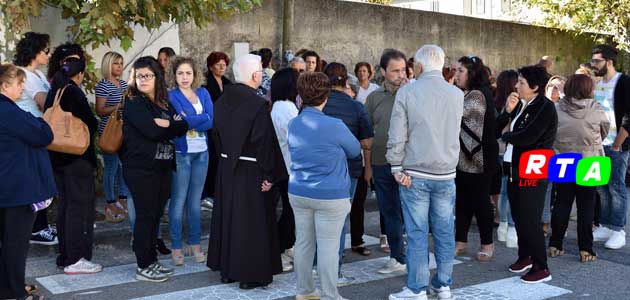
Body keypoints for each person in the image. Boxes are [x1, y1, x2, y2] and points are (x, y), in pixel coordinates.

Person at [387, 45, 463, 300]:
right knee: (444, 231)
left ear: (418, 66)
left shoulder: (407, 92)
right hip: (446, 172)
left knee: (418, 232)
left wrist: (395, 166)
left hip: (415, 173)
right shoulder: (456, 94)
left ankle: (417, 287)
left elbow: (397, 134)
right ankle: (443, 284)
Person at [207, 54, 287, 289]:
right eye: (261, 71)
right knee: (251, 223)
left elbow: (217, 136)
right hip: (251, 170)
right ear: (255, 75)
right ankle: (251, 274)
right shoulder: (257, 104)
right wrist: (270, 176)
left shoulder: (220, 101)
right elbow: (264, 143)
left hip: (226, 168)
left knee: (229, 218)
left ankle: (227, 270)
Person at [289, 71, 360, 300]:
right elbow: (355, 150)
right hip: (331, 193)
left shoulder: (293, 123)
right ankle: (330, 295)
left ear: (300, 96)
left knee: (303, 243)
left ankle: (305, 291)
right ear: (326, 96)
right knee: (328, 247)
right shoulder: (334, 125)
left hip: (299, 190)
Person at [120, 56, 189, 282]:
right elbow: (152, 131)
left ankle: (152, 260)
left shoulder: (163, 101)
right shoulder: (132, 101)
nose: (143, 79)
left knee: (156, 215)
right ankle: (143, 265)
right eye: (139, 76)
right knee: (145, 216)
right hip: (140, 168)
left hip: (163, 166)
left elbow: (183, 125)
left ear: (156, 77)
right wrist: (170, 124)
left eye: (147, 75)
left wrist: (168, 124)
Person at [497, 65, 557, 283]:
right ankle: (525, 257)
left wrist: (507, 136)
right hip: (514, 168)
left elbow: (529, 136)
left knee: (530, 218)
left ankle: (542, 267)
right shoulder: (521, 104)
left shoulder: (545, 106)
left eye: (521, 83)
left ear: (535, 86)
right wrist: (507, 111)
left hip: (534, 168)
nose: (517, 86)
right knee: (519, 216)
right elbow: (497, 129)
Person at [0, 63, 54, 300]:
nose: (22, 87)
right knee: (15, 244)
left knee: (7, 243)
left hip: (8, 186)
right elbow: (44, 134)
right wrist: (41, 121)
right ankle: (14, 291)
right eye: (19, 83)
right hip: (16, 189)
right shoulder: (8, 111)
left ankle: (10, 286)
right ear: (4, 86)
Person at [43, 58, 101, 275]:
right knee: (79, 209)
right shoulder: (73, 92)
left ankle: (65, 256)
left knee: (66, 207)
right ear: (80, 75)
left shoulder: (55, 91)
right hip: (77, 159)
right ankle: (76, 259)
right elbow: (90, 122)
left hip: (57, 158)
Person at [322, 62, 374, 284]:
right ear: (346, 81)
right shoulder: (356, 107)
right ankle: (335, 270)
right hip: (348, 170)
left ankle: (319, 266)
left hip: (320, 168)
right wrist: (368, 168)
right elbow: (367, 143)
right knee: (340, 219)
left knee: (320, 219)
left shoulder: (316, 105)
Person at [549, 74, 609, 262]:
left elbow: (550, 133)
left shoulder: (557, 108)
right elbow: (604, 130)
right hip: (590, 159)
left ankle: (555, 244)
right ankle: (586, 249)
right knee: (586, 205)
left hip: (562, 157)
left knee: (562, 202)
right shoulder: (596, 109)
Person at [364, 49, 409, 275]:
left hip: (409, 165)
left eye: (403, 70)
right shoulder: (373, 98)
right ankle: (397, 257)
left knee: (410, 212)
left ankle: (411, 256)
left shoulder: (412, 93)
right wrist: (368, 166)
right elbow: (367, 134)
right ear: (383, 72)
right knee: (389, 212)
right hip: (382, 164)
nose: (401, 75)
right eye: (395, 70)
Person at [166, 57, 213, 266]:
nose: (184, 77)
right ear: (174, 76)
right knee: (178, 201)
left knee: (195, 202)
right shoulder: (171, 96)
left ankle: (195, 243)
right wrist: (198, 118)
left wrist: (188, 119)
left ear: (195, 75)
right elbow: (180, 123)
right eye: (180, 73)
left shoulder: (203, 93)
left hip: (202, 152)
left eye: (188, 73)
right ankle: (176, 246)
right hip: (181, 153)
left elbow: (211, 121)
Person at [12, 32, 58, 246]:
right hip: (29, 136)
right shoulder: (24, 75)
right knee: (36, 184)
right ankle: (37, 229)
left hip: (40, 133)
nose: (49, 55)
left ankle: (41, 226)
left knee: (41, 182)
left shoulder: (37, 74)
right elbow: (44, 102)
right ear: (34, 51)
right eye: (46, 51)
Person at [452, 55, 498, 261]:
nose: (456, 75)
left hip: (480, 159)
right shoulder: (468, 93)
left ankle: (487, 243)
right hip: (465, 157)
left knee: (480, 202)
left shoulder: (477, 95)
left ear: (472, 73)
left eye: (460, 71)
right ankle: (460, 241)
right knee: (463, 201)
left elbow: (456, 115)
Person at [590, 44, 630, 250]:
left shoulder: (624, 82)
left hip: (617, 145)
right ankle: (605, 225)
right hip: (597, 144)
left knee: (616, 186)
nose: (593, 64)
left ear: (609, 62)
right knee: (601, 187)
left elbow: (629, 117)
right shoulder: (596, 84)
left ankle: (618, 230)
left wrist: (617, 143)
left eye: (597, 61)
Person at [270, 68, 300, 272]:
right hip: (289, 167)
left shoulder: (280, 106)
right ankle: (279, 250)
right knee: (290, 212)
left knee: (291, 211)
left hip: (286, 166)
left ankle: (287, 245)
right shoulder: (286, 108)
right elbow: (296, 137)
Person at [95, 51, 129, 223]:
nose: (120, 67)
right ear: (108, 65)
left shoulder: (123, 84)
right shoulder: (103, 85)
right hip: (109, 131)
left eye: (121, 63)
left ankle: (123, 199)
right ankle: (110, 202)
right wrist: (119, 106)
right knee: (111, 166)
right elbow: (100, 110)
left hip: (123, 130)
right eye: (116, 63)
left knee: (123, 166)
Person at [202, 51, 232, 210]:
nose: (222, 67)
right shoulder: (206, 83)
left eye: (224, 65)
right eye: (218, 65)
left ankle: (220, 191)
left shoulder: (227, 82)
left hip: (225, 127)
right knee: (212, 159)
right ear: (211, 66)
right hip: (211, 126)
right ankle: (209, 193)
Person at [494, 70, 519, 248]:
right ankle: (510, 227)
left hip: (500, 151)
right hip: (511, 150)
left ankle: (503, 225)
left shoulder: (499, 101)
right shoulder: (516, 102)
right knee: (512, 192)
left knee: (503, 190)